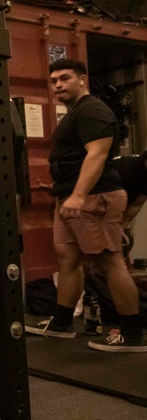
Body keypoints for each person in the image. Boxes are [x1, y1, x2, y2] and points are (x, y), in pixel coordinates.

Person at [24, 58, 146, 352]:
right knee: (67, 258)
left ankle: (132, 334)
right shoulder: (75, 113)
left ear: (82, 80)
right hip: (70, 198)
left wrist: (79, 195)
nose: (58, 85)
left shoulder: (92, 110)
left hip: (94, 197)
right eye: (53, 81)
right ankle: (62, 323)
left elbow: (97, 155)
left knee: (109, 261)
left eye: (65, 78)